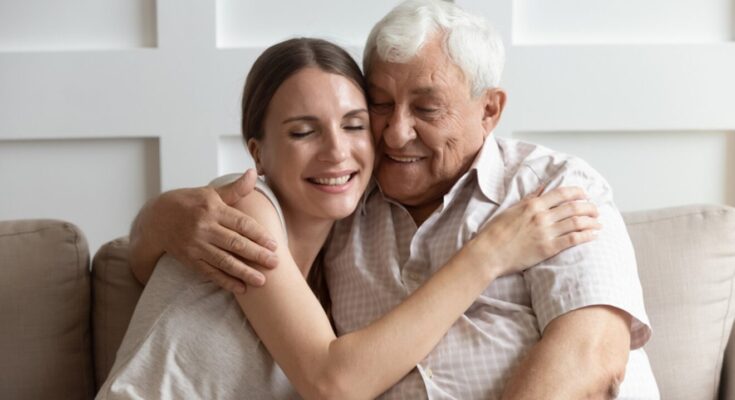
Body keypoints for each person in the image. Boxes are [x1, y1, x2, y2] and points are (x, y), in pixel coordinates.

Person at [127, 1, 660, 398]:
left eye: (426, 109)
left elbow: (592, 357)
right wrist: (160, 216)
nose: (395, 133)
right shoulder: (335, 198)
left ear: (490, 110)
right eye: (381, 105)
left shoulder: (554, 189)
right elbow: (329, 376)